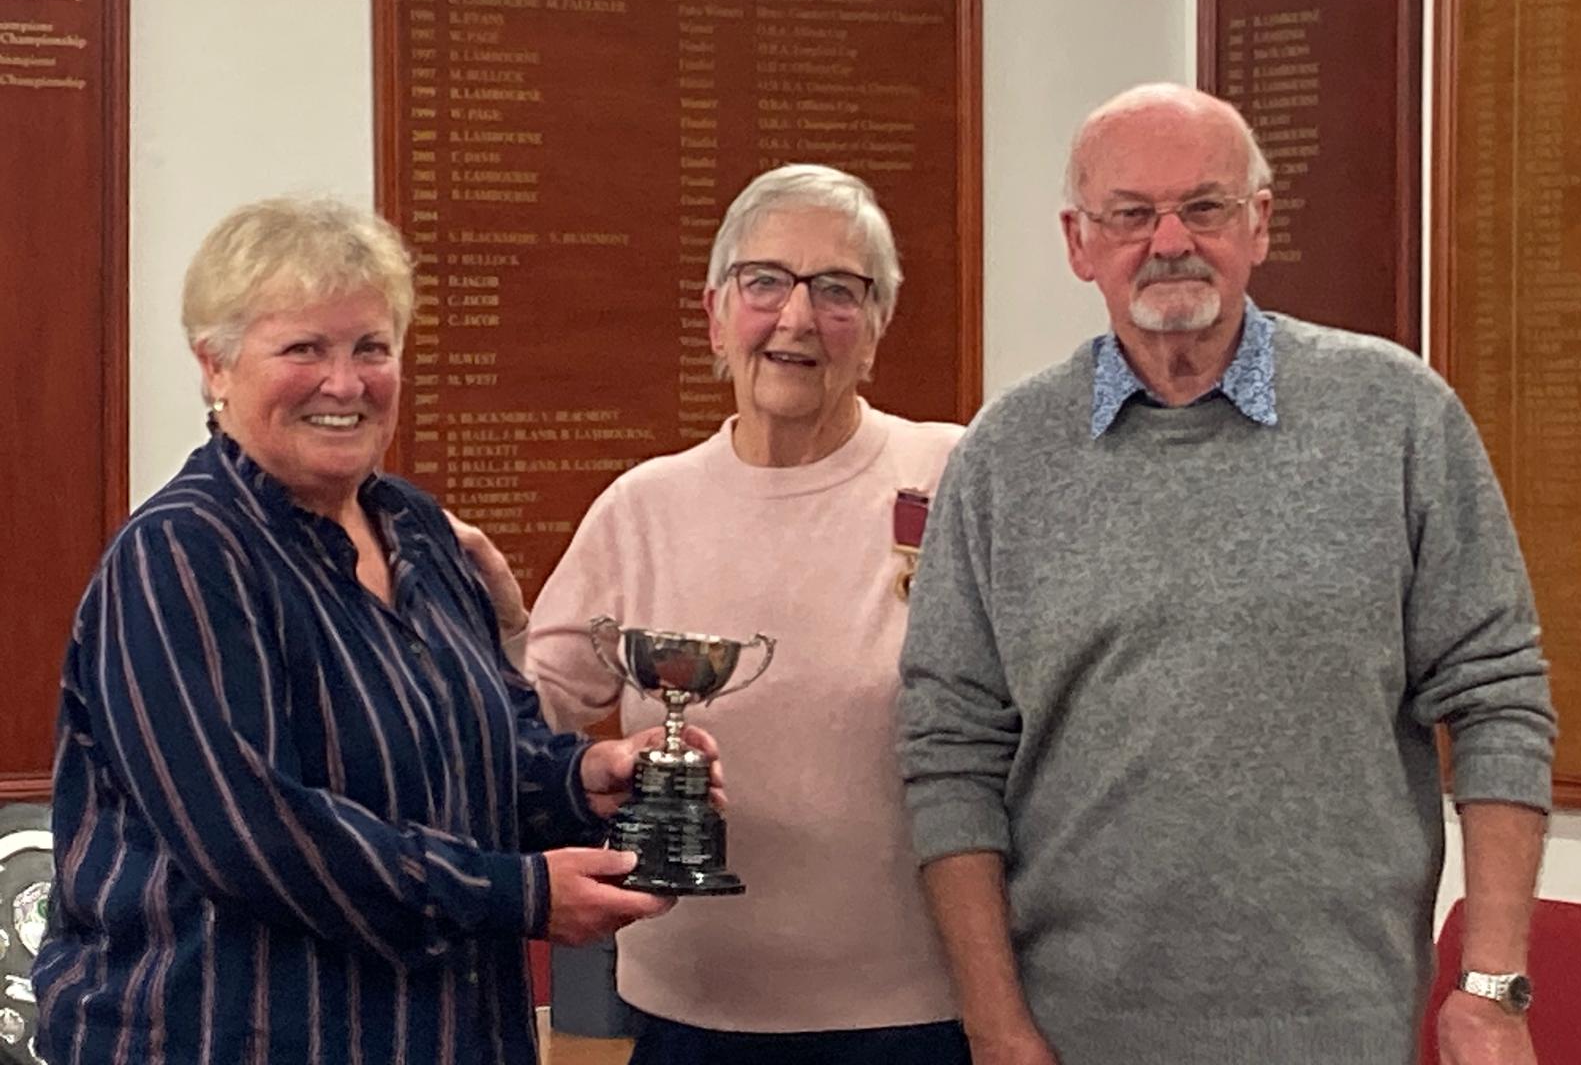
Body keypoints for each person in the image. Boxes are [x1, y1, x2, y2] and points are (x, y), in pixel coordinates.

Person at [896, 83, 1557, 1065]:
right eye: (1130, 215)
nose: (1169, 240)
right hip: (1075, 1038)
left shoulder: (1397, 418)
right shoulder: (1003, 457)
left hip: (1345, 1030)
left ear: (1256, 223)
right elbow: (949, 749)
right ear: (1080, 243)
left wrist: (1491, 986)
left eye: (1203, 208)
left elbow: (1498, 696)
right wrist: (994, 1025)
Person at [31, 197, 705, 1065]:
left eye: (370, 348)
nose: (344, 383)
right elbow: (255, 838)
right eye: (303, 349)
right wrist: (516, 895)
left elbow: (486, 754)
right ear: (215, 366)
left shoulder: (419, 531)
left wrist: (588, 780)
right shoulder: (180, 557)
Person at [460, 163, 971, 1064]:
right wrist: (500, 628)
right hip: (685, 1020)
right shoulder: (642, 507)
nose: (798, 318)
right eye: (765, 282)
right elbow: (524, 725)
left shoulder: (953, 477)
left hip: (914, 1016)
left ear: (878, 326)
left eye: (838, 290)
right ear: (716, 315)